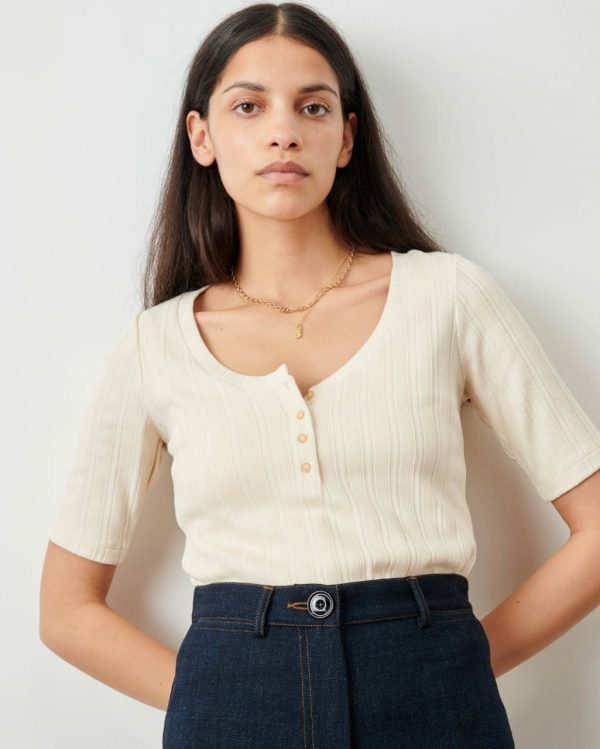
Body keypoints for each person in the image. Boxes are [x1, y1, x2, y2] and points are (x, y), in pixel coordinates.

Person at [39, 3, 600, 748]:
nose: (284, 131)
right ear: (201, 137)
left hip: (436, 695)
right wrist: (221, 691)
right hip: (231, 707)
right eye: (249, 106)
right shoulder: (155, 345)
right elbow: (65, 608)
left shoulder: (449, 297)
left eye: (313, 106)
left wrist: (455, 663)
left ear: (347, 138)